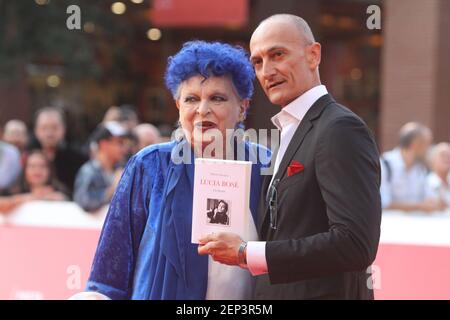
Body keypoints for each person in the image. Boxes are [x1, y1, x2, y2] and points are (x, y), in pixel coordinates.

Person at [198, 14, 382, 300]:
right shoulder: (289, 130)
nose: (267, 71)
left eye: (278, 54)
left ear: (313, 55)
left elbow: (355, 244)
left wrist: (247, 252)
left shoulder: (340, 128)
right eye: (257, 62)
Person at [75, 41, 270, 300]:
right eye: (191, 99)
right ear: (179, 106)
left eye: (217, 98)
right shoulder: (149, 166)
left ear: (243, 107)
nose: (203, 110)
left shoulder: (266, 165)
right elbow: (110, 272)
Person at [380, 122, 442, 212]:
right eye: (428, 143)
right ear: (415, 144)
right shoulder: (385, 165)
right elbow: (384, 203)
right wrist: (420, 206)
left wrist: (434, 202)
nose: (430, 148)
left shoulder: (421, 169)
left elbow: (429, 196)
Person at [28, 107, 88, 196]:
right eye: (44, 128)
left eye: (54, 128)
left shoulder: (78, 159)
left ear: (64, 129)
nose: (49, 133)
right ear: (36, 130)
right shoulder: (27, 156)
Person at [73, 122, 128, 212]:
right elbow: (84, 200)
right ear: (104, 144)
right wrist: (112, 191)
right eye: (119, 143)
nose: (124, 148)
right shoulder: (88, 171)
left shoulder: (122, 170)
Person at [0, 150, 68, 213]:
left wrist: (62, 199)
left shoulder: (60, 190)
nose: (37, 170)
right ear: (25, 170)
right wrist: (26, 198)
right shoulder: (14, 191)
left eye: (42, 166)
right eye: (32, 166)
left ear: (50, 170)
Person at [425, 142, 450, 209]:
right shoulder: (426, 183)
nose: (447, 158)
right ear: (432, 159)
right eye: (443, 155)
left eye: (449, 156)